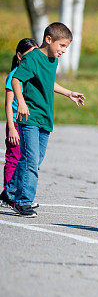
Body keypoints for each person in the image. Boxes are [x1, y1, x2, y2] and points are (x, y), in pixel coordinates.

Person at [1, 23, 86, 217]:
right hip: (30, 118)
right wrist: (21, 103)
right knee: (31, 161)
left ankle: (9, 193)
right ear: (48, 39)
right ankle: (23, 202)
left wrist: (69, 93)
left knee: (33, 160)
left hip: (45, 118)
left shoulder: (51, 60)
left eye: (66, 47)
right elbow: (16, 80)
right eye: (62, 46)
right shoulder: (32, 58)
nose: (64, 51)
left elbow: (49, 83)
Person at [4, 38, 38, 191]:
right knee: (13, 158)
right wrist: (11, 127)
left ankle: (18, 192)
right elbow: (9, 105)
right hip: (16, 123)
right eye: (29, 54)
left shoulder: (31, 74)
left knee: (25, 159)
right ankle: (8, 193)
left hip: (27, 122)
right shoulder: (13, 76)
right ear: (19, 56)